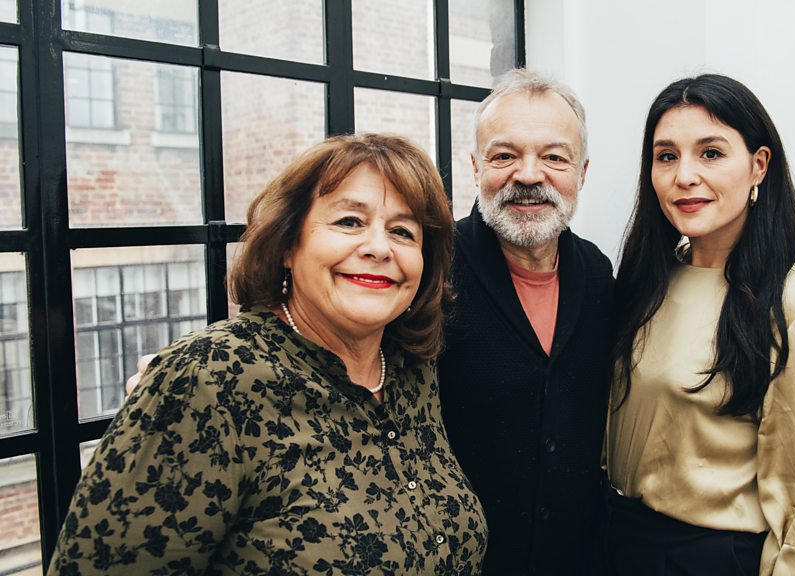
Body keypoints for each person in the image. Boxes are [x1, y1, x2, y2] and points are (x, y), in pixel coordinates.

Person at [48, 134, 488, 575]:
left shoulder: (412, 371)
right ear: (287, 245)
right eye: (350, 221)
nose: (379, 247)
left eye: (402, 231)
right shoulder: (207, 380)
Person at [605, 74, 795, 575]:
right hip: (617, 543)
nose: (685, 176)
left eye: (711, 153)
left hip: (710, 558)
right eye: (666, 156)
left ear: (759, 165)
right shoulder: (645, 284)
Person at [439, 69, 614, 575]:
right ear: (476, 167)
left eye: (554, 157)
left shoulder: (598, 274)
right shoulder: (431, 270)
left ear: (582, 173)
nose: (530, 175)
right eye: (504, 156)